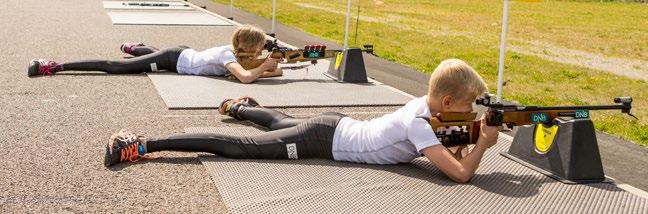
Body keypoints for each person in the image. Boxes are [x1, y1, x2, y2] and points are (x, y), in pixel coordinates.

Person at [103, 59, 501, 183]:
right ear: (447, 101)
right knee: (240, 149)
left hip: (335, 126)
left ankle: (239, 108)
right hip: (324, 140)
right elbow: (461, 173)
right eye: (467, 110)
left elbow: (451, 145)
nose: (469, 116)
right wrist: (482, 141)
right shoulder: (420, 124)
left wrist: (468, 134)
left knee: (281, 122)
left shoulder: (427, 108)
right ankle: (141, 144)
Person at [27, 24, 282, 83]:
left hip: (184, 54)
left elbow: (264, 72)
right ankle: (53, 65)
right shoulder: (228, 56)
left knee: (146, 57)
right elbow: (247, 78)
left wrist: (275, 67)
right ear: (252, 47)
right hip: (174, 59)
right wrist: (265, 66)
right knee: (117, 67)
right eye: (262, 46)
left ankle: (136, 48)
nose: (263, 49)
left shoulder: (239, 55)